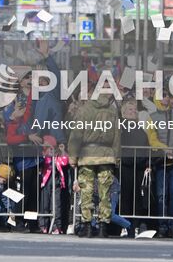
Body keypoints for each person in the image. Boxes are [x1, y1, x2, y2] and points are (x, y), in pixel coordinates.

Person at [67, 85, 120, 238]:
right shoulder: (112, 111)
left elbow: (76, 135)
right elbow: (117, 135)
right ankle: (103, 227)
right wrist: (116, 156)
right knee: (105, 193)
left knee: (87, 191)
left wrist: (73, 157)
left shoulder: (85, 110)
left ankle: (87, 226)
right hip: (106, 154)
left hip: (87, 154)